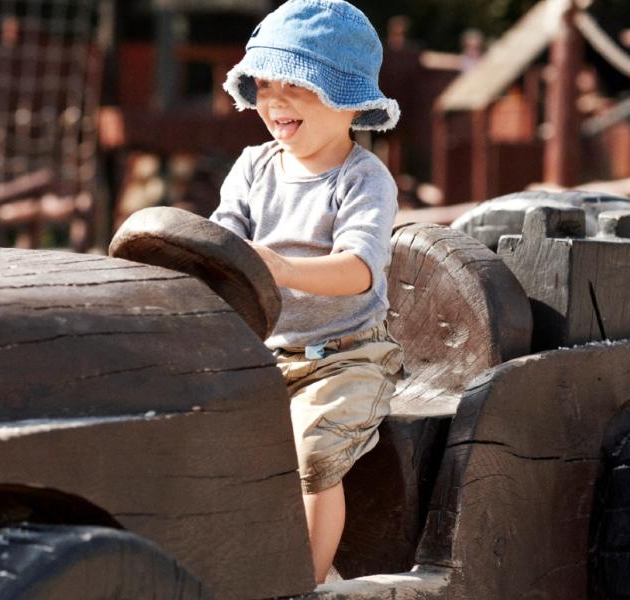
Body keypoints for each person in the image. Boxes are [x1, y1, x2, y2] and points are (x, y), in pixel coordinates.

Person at [209, 0, 404, 585]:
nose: (274, 100)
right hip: (265, 351)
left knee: (314, 451)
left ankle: (309, 582)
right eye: (264, 83)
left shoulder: (362, 177)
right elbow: (221, 242)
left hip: (346, 354)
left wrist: (282, 268)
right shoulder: (252, 167)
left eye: (296, 83)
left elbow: (359, 270)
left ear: (346, 99)